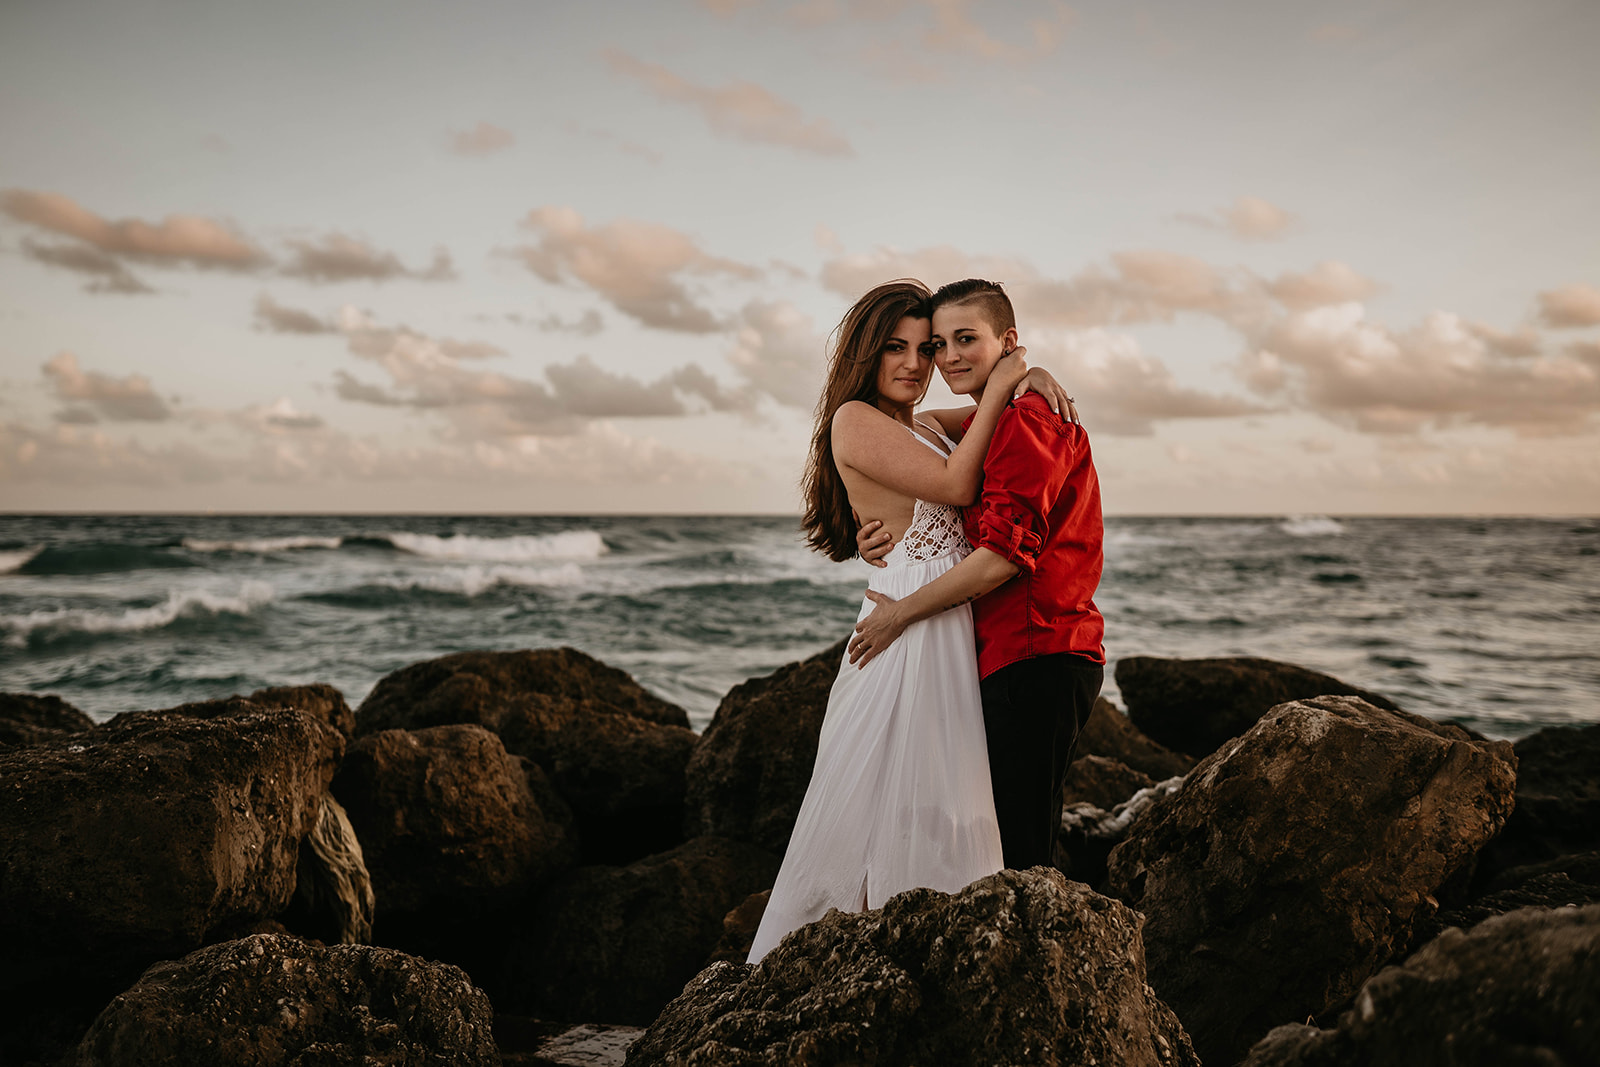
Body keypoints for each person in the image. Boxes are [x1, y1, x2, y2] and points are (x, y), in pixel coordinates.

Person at [746, 279, 1071, 965]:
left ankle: (922, 965)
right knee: (872, 809)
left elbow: (993, 411)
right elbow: (957, 484)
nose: (916, 364)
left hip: (941, 621)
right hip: (902, 627)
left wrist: (1028, 374)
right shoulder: (855, 419)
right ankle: (842, 971)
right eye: (896, 347)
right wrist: (1011, 376)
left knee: (939, 806)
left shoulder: (921, 423)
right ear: (865, 352)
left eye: (925, 349)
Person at [850, 278, 1105, 872]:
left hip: (1036, 652)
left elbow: (1002, 558)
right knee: (1002, 840)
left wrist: (899, 615)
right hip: (1010, 654)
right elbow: (916, 448)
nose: (947, 357)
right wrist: (1017, 375)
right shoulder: (997, 418)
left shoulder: (1029, 423)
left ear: (1006, 339)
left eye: (966, 339)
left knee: (1019, 854)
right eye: (939, 345)